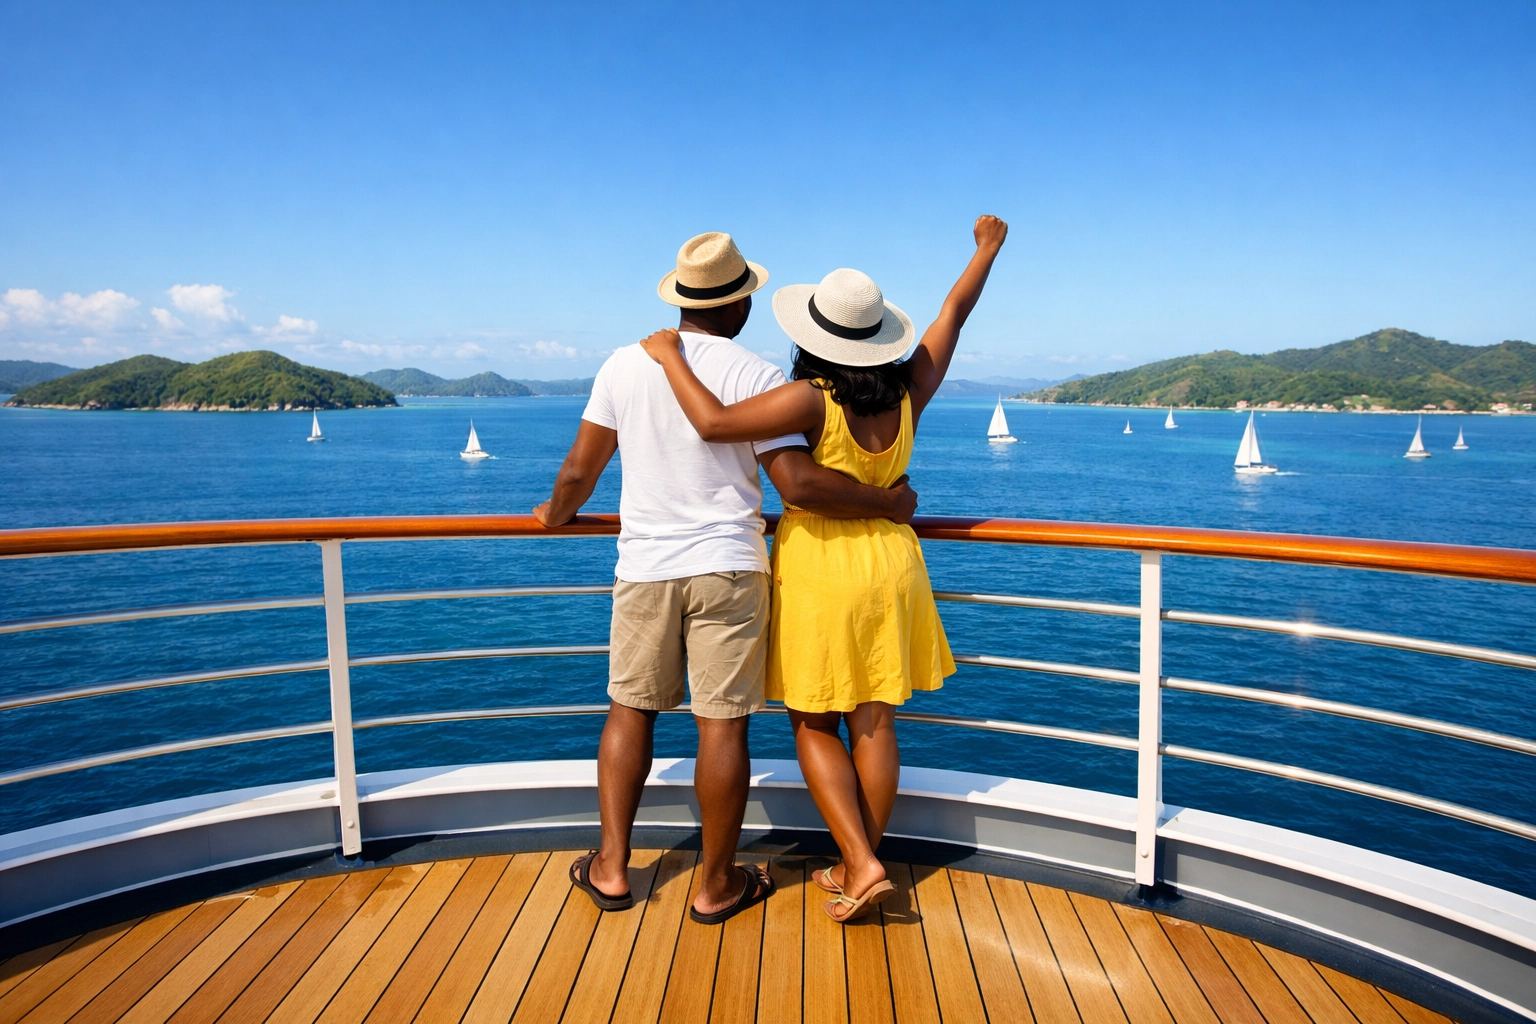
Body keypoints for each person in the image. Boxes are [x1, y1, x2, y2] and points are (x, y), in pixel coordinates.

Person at [533, 231, 920, 925]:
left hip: (647, 565)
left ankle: (613, 868)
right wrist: (889, 503)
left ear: (682, 299)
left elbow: (578, 473)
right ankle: (716, 886)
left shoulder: (624, 364)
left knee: (629, 711)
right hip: (731, 564)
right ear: (739, 303)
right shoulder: (760, 376)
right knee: (723, 728)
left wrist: (554, 515)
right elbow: (795, 479)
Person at [638, 215, 1009, 922]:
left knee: (814, 724)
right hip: (893, 563)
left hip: (823, 566)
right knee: (875, 721)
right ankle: (855, 862)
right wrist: (986, 251)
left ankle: (861, 863)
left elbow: (713, 424)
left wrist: (671, 358)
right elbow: (952, 315)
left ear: (812, 336)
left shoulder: (811, 398)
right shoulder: (909, 389)